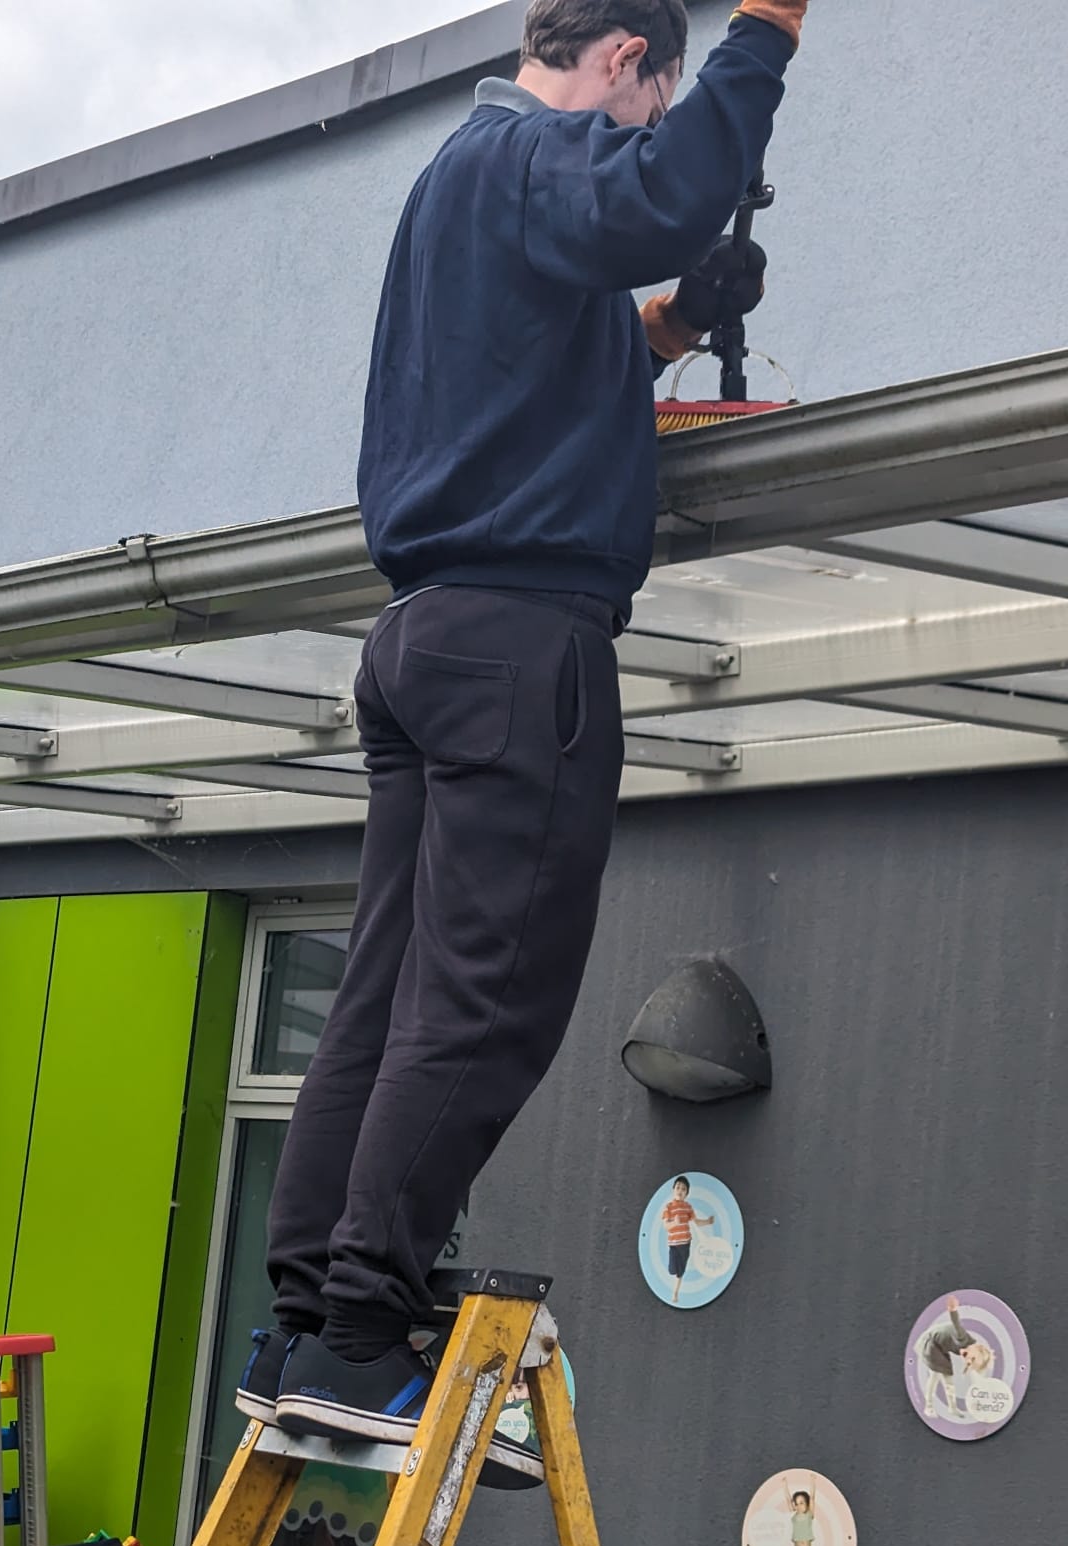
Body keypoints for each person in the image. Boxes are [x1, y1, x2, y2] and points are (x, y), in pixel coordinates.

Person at [232, 0, 809, 1468]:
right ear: (621, 64)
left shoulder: (455, 189)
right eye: (648, 101)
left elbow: (537, 361)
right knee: (484, 1001)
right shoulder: (526, 149)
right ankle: (365, 1335)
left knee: (386, 993)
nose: (635, 139)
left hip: (425, 635)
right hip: (516, 640)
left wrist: (673, 327)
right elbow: (665, 190)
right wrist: (763, 33)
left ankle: (310, 1327)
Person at [918, 1296, 995, 1421]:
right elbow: (957, 1324)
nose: (968, 1361)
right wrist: (953, 1310)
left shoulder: (968, 1349)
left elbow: (972, 1373)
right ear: (977, 1348)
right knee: (935, 1375)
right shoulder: (963, 1338)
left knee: (948, 1379)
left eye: (970, 1364)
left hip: (941, 1348)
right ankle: (929, 1407)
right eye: (973, 1359)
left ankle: (952, 1408)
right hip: (930, 1344)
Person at [661, 1175, 716, 1305]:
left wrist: (708, 1222)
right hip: (673, 1244)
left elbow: (696, 1222)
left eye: (683, 1189)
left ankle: (675, 1293)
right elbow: (666, 1226)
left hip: (685, 1243)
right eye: (678, 1187)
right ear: (673, 1189)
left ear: (686, 1193)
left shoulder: (687, 1207)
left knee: (680, 1272)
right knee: (672, 1270)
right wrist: (674, 1223)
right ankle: (675, 1282)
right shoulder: (668, 1207)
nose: (680, 1191)